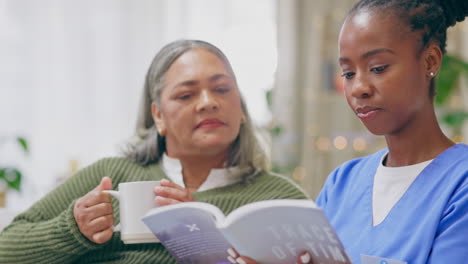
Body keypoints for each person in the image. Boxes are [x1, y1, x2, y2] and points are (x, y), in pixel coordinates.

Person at [0, 39, 308, 264]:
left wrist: (200, 237)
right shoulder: (112, 177)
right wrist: (73, 230)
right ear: (157, 115)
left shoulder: (280, 199)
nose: (208, 102)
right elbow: (6, 248)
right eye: (186, 94)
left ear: (240, 108)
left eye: (222, 89)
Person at [233, 0, 468, 263]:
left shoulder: (461, 184)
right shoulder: (342, 183)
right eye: (347, 73)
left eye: (378, 68)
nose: (358, 88)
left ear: (429, 61)